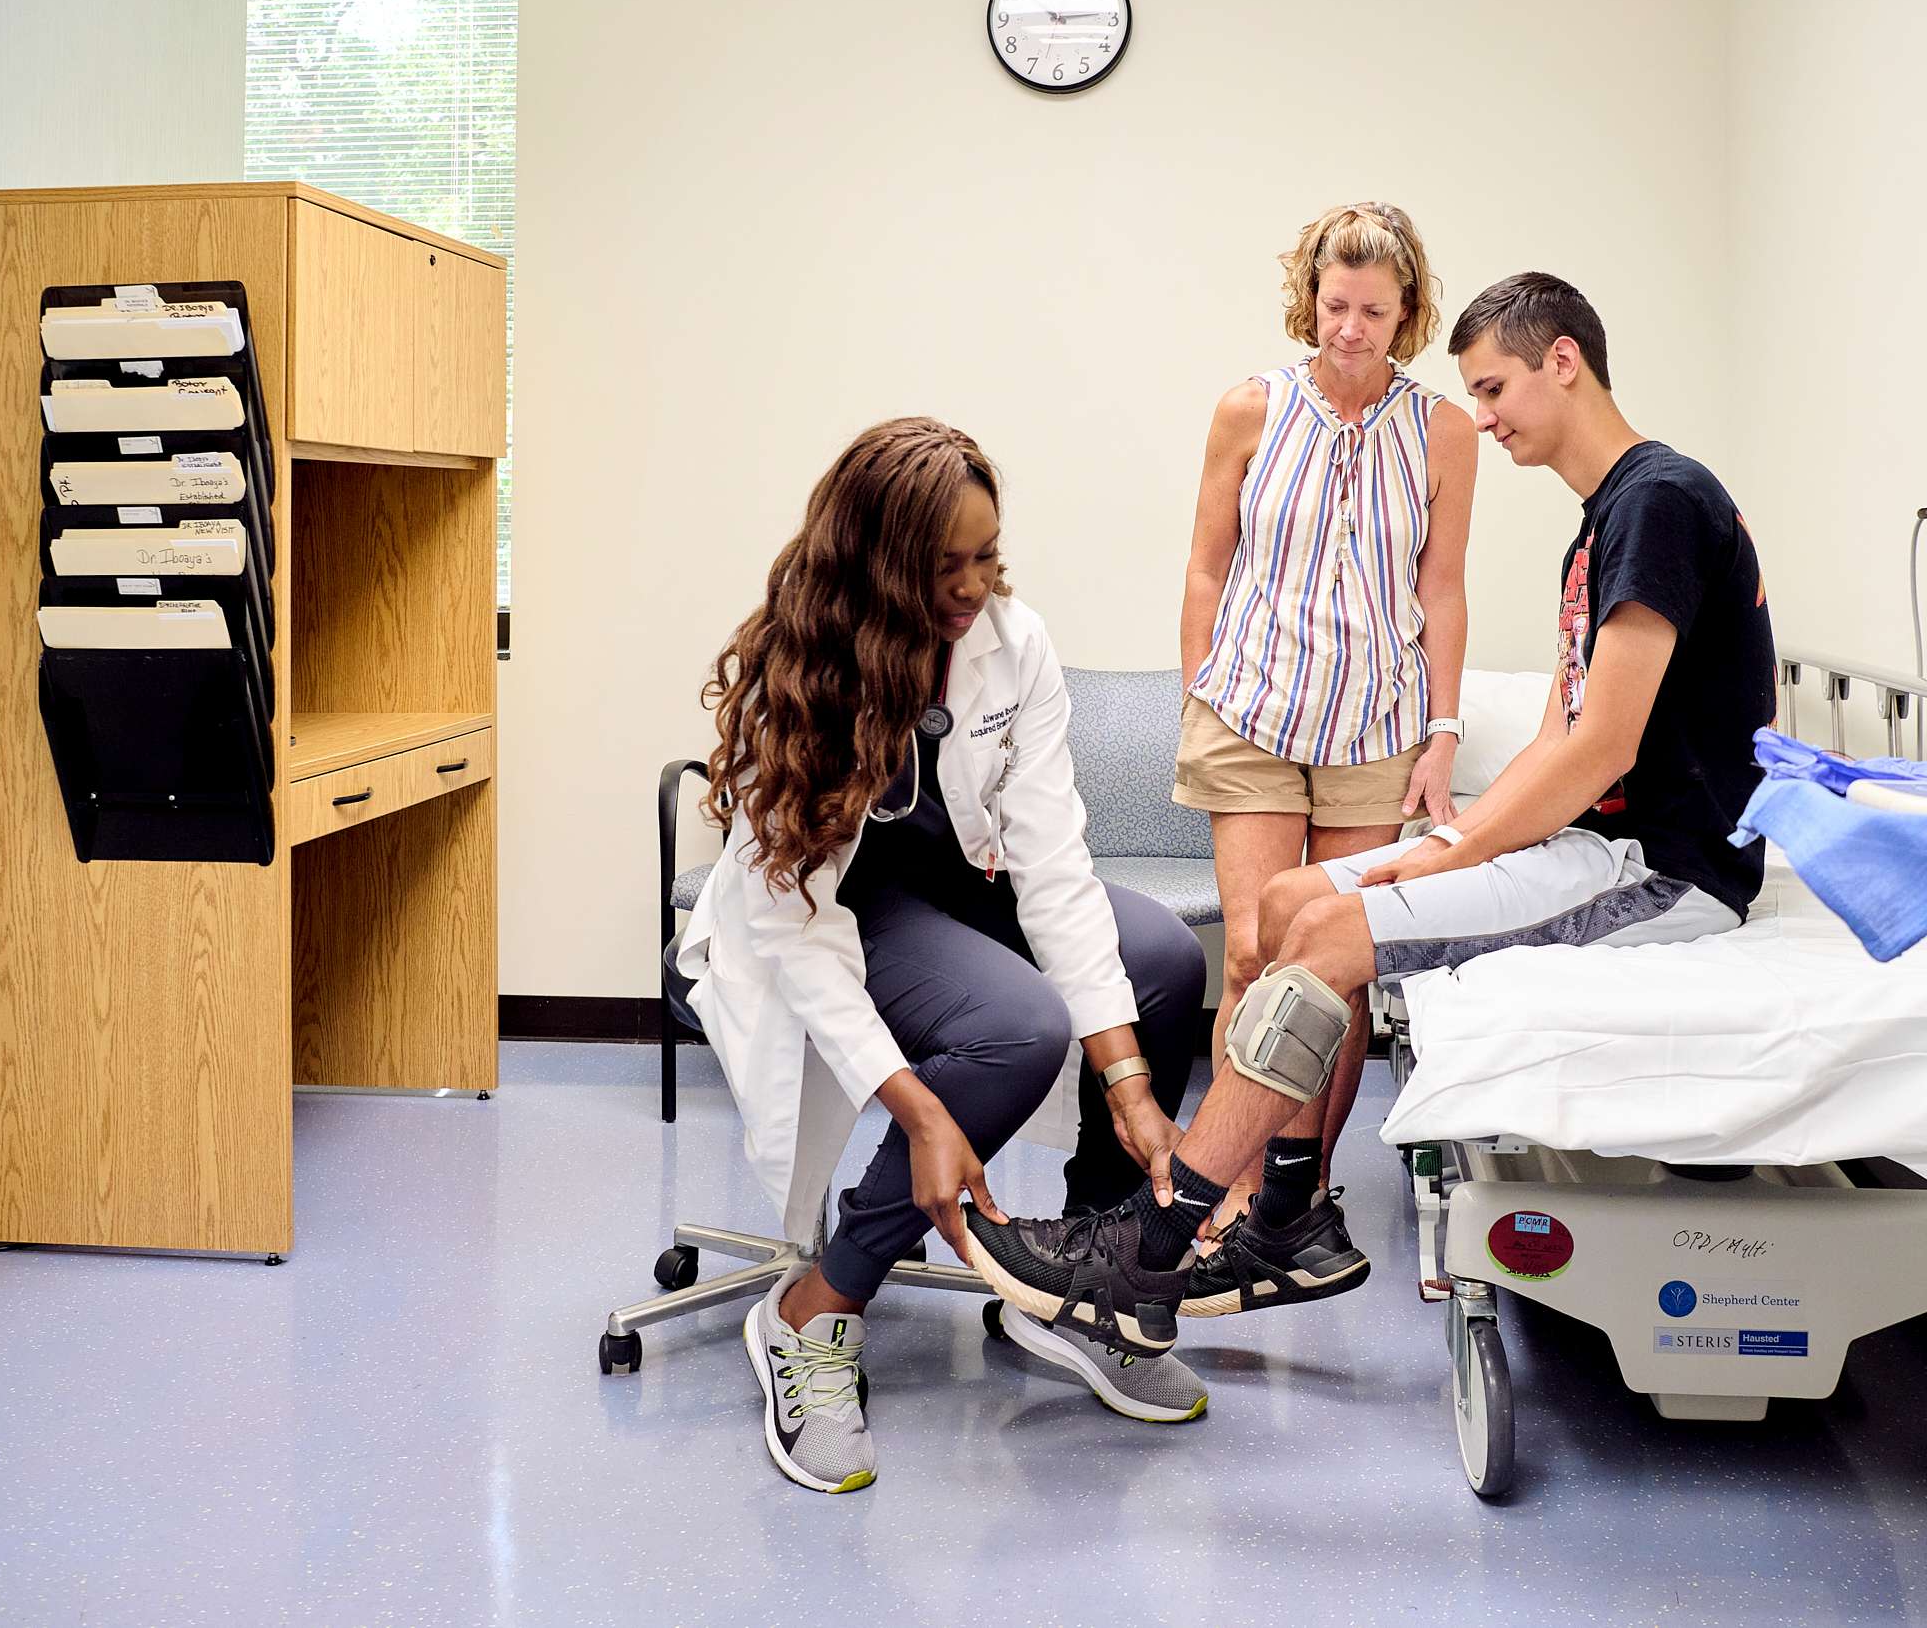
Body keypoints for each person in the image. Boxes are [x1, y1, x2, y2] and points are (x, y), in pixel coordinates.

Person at [965, 274, 1777, 1356]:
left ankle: (1155, 1242)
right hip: (1597, 846)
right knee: (1292, 905)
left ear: (1564, 361)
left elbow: (1604, 746)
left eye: (1493, 387)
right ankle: (1290, 1213)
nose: (1481, 416)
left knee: (1337, 931)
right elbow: (1556, 734)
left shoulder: (1659, 502)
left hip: (1663, 868)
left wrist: (1442, 856)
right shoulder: (1610, 518)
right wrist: (1444, 847)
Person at [676, 417, 1209, 1490]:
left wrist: (1132, 1082)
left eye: (987, 556)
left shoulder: (1016, 645)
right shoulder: (810, 666)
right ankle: (815, 1306)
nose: (972, 588)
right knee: (1018, 1027)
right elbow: (796, 920)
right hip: (838, 910)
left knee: (1163, 957)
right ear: (876, 563)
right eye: (941, 566)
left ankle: (1074, 1276)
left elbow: (1053, 861)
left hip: (969, 880)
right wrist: (923, 1116)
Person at [1174, 200, 1476, 1245]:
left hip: (1374, 727)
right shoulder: (1249, 409)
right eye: (1335, 304)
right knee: (1256, 955)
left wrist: (1441, 730)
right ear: (1310, 300)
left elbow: (1442, 586)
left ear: (1408, 313)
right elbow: (1208, 561)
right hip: (1251, 713)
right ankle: (1232, 1173)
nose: (1351, 328)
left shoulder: (1441, 430)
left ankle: (1297, 1193)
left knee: (1333, 968)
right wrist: (1198, 687)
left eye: (1374, 311)